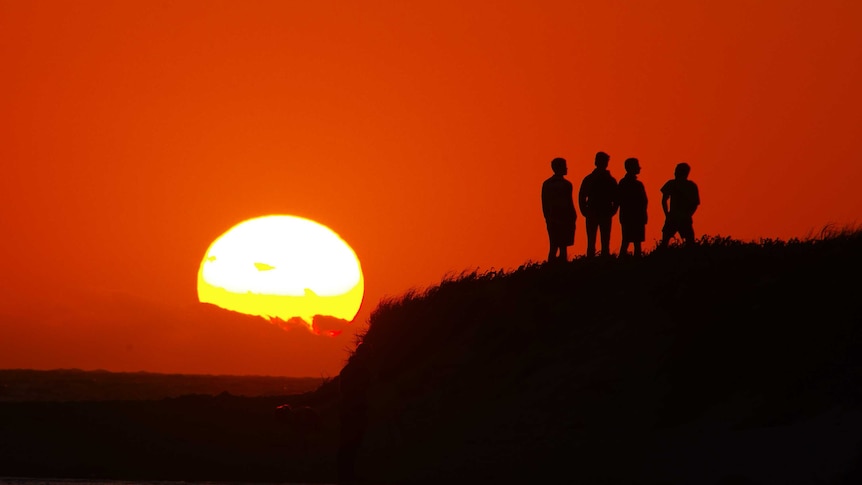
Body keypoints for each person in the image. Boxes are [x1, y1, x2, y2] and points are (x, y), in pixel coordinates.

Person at [578, 151, 618, 257]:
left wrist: (613, 210)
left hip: (603, 212)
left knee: (604, 240)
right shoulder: (591, 179)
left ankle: (601, 259)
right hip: (594, 212)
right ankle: (593, 260)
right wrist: (584, 211)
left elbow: (616, 197)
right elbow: (582, 196)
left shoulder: (608, 180)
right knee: (593, 241)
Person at [541, 157, 577, 262]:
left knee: (557, 245)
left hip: (558, 218)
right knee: (559, 246)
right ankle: (558, 267)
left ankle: (555, 267)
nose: (567, 168)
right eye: (564, 166)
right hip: (559, 218)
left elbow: (545, 204)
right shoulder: (564, 185)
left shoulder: (548, 184)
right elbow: (568, 202)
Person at [659, 162, 700, 247]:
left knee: (666, 242)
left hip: (676, 217)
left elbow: (664, 200)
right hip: (678, 217)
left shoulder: (674, 184)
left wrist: (667, 214)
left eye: (676, 171)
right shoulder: (690, 186)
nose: (674, 173)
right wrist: (688, 214)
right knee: (689, 241)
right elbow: (695, 204)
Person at [617, 157, 648, 257]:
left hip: (631, 216)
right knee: (630, 241)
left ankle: (625, 260)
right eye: (637, 166)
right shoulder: (630, 184)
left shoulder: (625, 183)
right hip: (632, 216)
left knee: (632, 241)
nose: (639, 168)